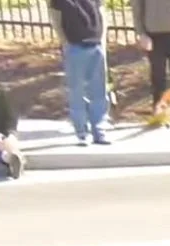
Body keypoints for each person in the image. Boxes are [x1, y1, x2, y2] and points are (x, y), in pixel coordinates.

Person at [48, 0, 110, 144]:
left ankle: (99, 130)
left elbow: (101, 14)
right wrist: (66, 43)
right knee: (77, 91)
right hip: (75, 46)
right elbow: (56, 20)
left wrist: (102, 41)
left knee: (99, 90)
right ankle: (82, 132)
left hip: (96, 44)